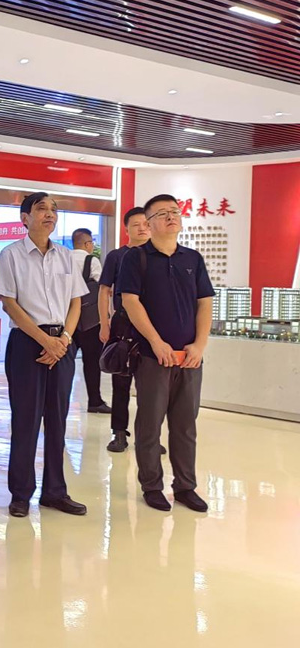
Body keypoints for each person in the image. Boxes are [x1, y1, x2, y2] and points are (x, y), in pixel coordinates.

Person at [117, 194, 213, 513]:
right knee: (150, 423)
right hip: (152, 356)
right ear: (149, 223)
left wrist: (200, 344)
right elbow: (130, 301)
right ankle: (152, 485)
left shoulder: (192, 259)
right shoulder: (137, 258)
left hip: (189, 358)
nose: (171, 217)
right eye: (162, 213)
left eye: (174, 211)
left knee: (185, 425)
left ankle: (185, 486)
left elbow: (204, 303)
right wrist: (156, 342)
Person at [0, 192, 88, 518]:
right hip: (27, 344)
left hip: (61, 343)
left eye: (53, 210)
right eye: (41, 209)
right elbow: (9, 304)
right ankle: (20, 494)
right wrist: (44, 341)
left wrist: (63, 340)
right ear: (25, 218)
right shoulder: (11, 255)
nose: (49, 214)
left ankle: (55, 492)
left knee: (58, 421)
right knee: (26, 420)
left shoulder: (66, 256)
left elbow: (76, 302)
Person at [98, 207, 150, 452]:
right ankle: (119, 433)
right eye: (136, 224)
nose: (142, 228)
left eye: (146, 223)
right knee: (121, 381)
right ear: (126, 228)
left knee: (151, 385)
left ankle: (149, 436)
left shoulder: (158, 257)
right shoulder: (117, 256)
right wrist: (104, 323)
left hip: (152, 325)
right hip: (123, 324)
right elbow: (104, 291)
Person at [70, 228, 110, 414]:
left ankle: (57, 401)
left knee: (65, 363)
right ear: (87, 244)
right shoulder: (91, 261)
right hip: (91, 321)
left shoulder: (63, 258)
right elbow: (103, 289)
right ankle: (95, 401)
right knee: (92, 363)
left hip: (67, 321)